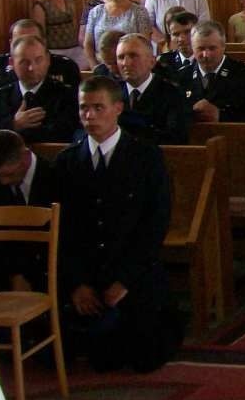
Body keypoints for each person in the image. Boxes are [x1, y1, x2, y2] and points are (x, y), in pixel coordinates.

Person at [56, 76, 183, 372]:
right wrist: (77, 284)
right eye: (84, 108)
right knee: (87, 356)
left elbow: (154, 224)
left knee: (144, 356)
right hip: (89, 275)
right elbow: (64, 231)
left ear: (117, 109)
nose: (90, 116)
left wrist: (124, 280)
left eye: (98, 108)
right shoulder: (67, 162)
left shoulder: (145, 157)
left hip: (132, 272)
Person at [0, 129, 58, 291]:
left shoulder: (57, 177)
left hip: (52, 272)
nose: (3, 182)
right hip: (4, 270)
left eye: (8, 174)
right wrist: (15, 273)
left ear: (26, 157)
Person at [178, 21, 245, 123]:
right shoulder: (182, 76)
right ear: (193, 48)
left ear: (223, 46)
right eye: (200, 48)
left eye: (212, 48)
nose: (206, 55)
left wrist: (221, 116)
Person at [0, 34, 80, 143]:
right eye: (24, 62)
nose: (32, 68)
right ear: (12, 63)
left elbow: (66, 134)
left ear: (48, 60)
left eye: (38, 60)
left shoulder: (66, 96)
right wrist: (13, 124)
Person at [114, 34, 190, 145]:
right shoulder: (111, 93)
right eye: (121, 57)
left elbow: (175, 138)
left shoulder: (172, 94)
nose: (126, 63)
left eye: (133, 56)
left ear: (152, 62)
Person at [82, 0, 153, 69]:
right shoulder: (96, 12)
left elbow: (145, 43)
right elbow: (88, 44)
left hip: (130, 65)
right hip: (102, 66)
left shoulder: (139, 12)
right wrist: (94, 66)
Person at [0, 19, 81, 90]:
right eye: (19, 42)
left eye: (33, 41)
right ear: (11, 43)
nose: (26, 47)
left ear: (44, 42)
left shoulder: (65, 66)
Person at [33, 0, 83, 66]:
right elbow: (40, 34)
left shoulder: (70, 0)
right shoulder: (41, 5)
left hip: (74, 48)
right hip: (54, 50)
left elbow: (76, 25)